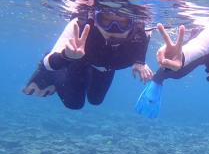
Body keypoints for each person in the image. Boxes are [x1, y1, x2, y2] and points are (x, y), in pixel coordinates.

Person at [23, 7, 153, 109]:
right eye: (106, 20)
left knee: (96, 100)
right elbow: (48, 63)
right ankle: (53, 76)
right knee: (74, 104)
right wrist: (65, 56)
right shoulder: (80, 25)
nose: (114, 28)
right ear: (96, 19)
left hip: (104, 68)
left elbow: (145, 38)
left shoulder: (141, 34)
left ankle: (86, 74)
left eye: (123, 22)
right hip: (79, 61)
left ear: (133, 23)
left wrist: (140, 61)